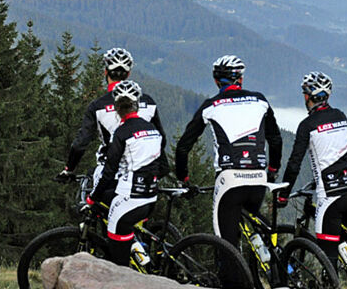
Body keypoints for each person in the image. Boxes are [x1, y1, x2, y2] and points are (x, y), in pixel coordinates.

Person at [174, 55, 282, 249]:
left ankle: (233, 278)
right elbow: (275, 140)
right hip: (258, 177)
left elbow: (183, 146)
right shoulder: (260, 100)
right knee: (255, 230)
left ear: (216, 81)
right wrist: (272, 170)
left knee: (227, 244)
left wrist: (184, 178)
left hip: (229, 181)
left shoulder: (211, 106)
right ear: (240, 79)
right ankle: (266, 269)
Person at [278, 72, 347, 270]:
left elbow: (294, 163)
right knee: (341, 239)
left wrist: (283, 195)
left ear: (309, 96)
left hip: (331, 197)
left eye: (304, 93)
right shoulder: (341, 115)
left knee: (327, 254)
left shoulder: (307, 125)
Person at [88, 80, 170, 267]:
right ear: (137, 105)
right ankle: (142, 257)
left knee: (118, 259)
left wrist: (92, 198)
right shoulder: (152, 130)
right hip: (150, 197)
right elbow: (161, 165)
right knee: (108, 199)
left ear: (117, 108)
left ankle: (125, 285)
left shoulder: (121, 132)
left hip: (129, 200)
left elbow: (108, 172)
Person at [59, 47, 165, 192]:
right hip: (145, 174)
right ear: (128, 74)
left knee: (94, 209)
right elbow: (161, 139)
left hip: (110, 172)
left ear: (105, 72)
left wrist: (68, 169)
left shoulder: (97, 106)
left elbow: (80, 144)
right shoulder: (149, 102)